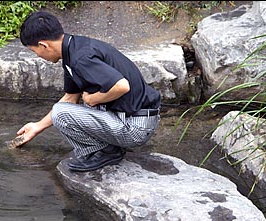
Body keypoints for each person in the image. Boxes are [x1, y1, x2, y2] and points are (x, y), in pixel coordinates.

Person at [16, 11, 161, 172]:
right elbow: (70, 99)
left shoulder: (80, 58)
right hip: (131, 118)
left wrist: (94, 99)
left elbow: (122, 86)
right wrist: (37, 127)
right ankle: (108, 148)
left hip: (135, 127)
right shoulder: (73, 49)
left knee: (63, 111)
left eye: (34, 50)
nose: (37, 55)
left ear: (44, 45)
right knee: (66, 109)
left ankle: (106, 152)